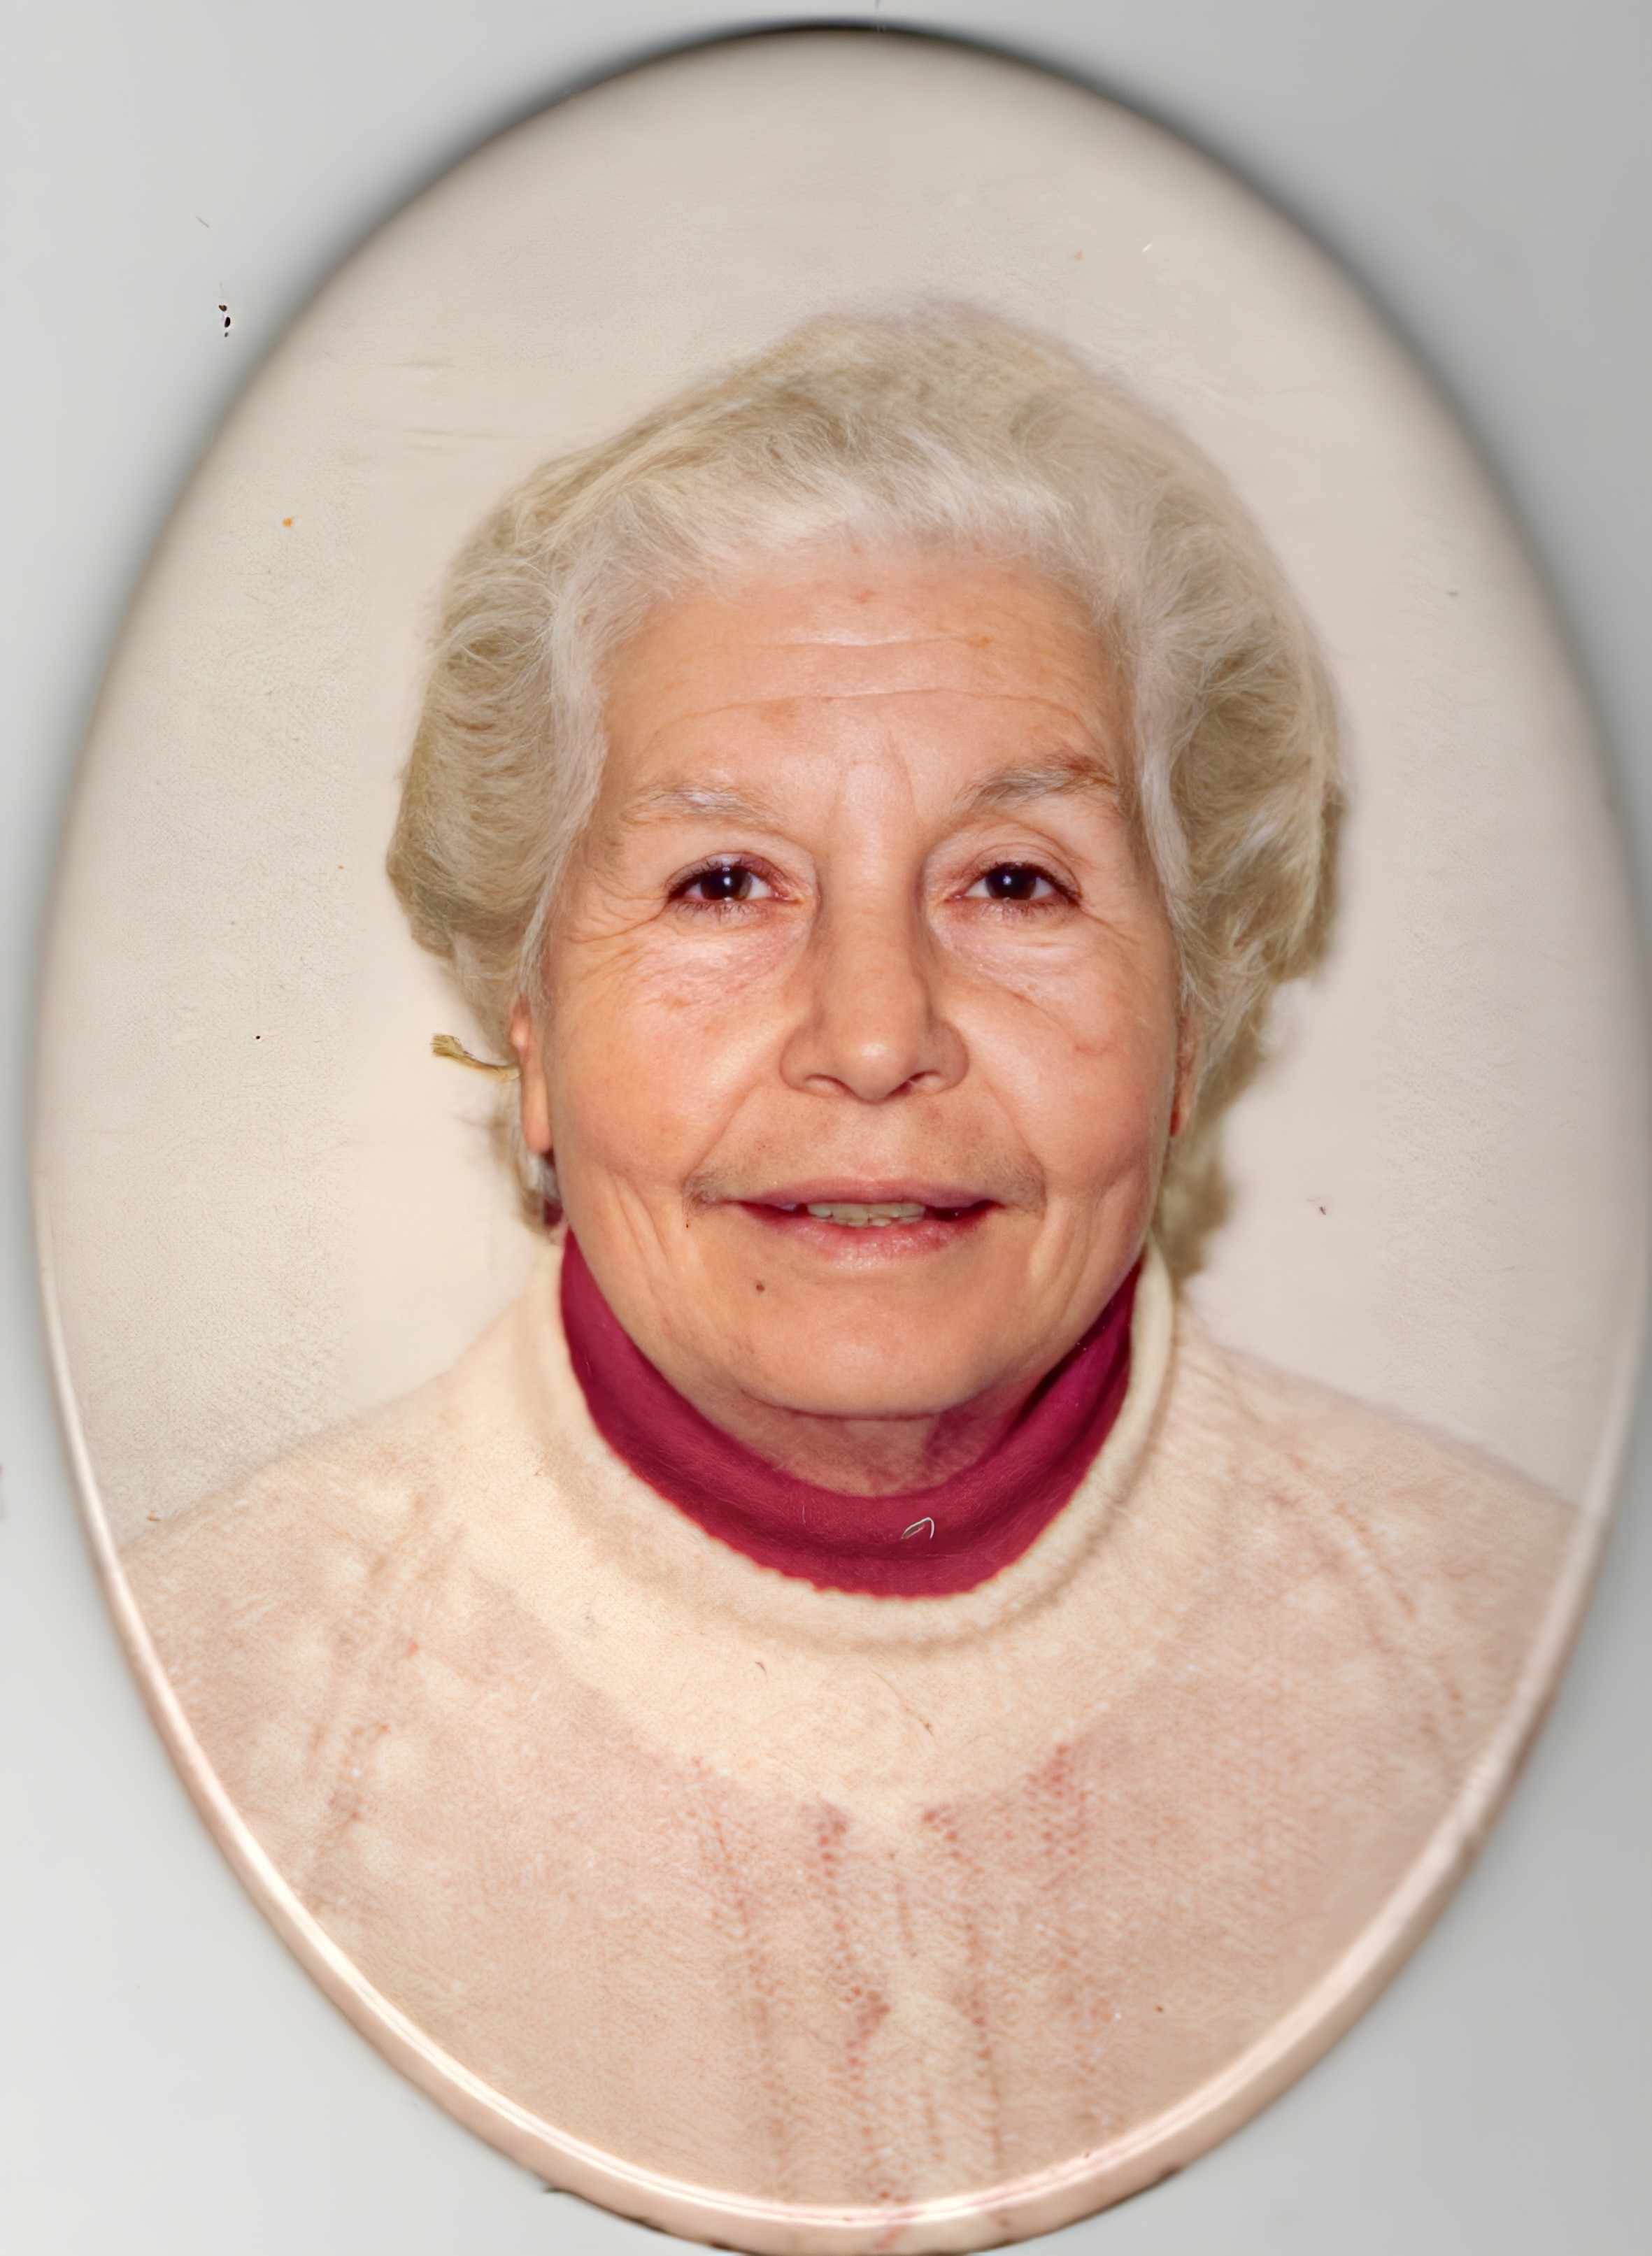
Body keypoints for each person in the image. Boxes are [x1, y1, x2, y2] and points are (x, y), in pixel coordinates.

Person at [124, 310, 1576, 2240]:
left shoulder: (1531, 1687)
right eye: (724, 883)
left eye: (1015, 880)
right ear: (529, 1031)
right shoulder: (172, 1740)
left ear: (1190, 1023)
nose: (877, 1035)